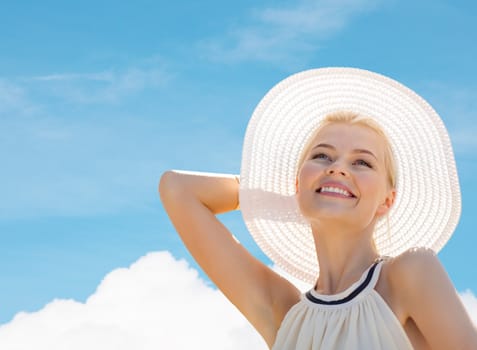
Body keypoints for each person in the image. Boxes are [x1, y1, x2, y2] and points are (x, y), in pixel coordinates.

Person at [159, 67, 477, 349]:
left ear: (387, 201)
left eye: (362, 162)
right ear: (297, 183)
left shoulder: (410, 273)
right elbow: (177, 188)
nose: (338, 168)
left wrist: (321, 189)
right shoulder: (283, 313)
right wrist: (291, 194)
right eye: (322, 156)